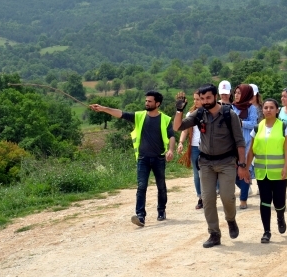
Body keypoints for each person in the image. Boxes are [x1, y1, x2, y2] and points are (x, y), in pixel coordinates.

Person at [174, 84, 247, 248]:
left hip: (227, 162)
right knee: (207, 199)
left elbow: (240, 142)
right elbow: (178, 127)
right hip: (206, 163)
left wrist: (242, 165)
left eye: (208, 98)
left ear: (215, 96)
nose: (205, 101)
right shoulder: (199, 114)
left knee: (227, 197)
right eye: (202, 98)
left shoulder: (229, 114)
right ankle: (214, 234)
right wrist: (179, 111)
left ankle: (231, 220)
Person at [90, 91, 176, 227]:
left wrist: (171, 150)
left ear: (157, 103)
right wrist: (103, 108)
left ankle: (161, 210)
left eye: (149, 101)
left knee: (161, 186)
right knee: (141, 187)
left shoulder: (165, 119)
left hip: (159, 158)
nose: (146, 103)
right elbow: (121, 113)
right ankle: (140, 216)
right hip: (143, 158)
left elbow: (172, 136)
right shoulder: (139, 116)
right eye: (146, 101)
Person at [245, 98, 287, 244]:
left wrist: (285, 167)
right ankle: (266, 231)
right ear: (262, 110)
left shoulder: (284, 127)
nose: (268, 110)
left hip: (279, 172)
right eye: (265, 107)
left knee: (279, 201)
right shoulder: (257, 128)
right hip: (261, 172)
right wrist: (246, 169)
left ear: (277, 110)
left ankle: (280, 216)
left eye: (272, 107)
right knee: (265, 201)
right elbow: (251, 151)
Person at [232, 84, 259, 209]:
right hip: (232, 145)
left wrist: (240, 122)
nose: (236, 95)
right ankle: (245, 189)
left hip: (246, 143)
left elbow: (254, 124)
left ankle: (243, 199)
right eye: (235, 92)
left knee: (244, 170)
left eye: (239, 93)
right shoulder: (231, 107)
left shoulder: (251, 108)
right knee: (232, 172)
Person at [178, 91, 204, 210]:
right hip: (194, 147)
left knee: (209, 173)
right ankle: (200, 197)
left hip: (208, 147)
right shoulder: (190, 113)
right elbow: (184, 129)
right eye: (194, 99)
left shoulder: (209, 112)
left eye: (198, 99)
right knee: (197, 174)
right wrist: (181, 142)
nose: (196, 101)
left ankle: (210, 194)